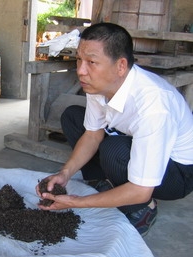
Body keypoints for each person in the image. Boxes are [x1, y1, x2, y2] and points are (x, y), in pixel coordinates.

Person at [36, 22, 193, 237]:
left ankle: (143, 209)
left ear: (120, 66)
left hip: (179, 172)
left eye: (91, 62)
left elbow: (140, 189)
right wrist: (65, 173)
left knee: (114, 150)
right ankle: (106, 183)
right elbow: (92, 134)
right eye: (79, 59)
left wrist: (77, 202)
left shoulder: (154, 105)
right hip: (133, 139)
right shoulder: (97, 85)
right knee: (72, 116)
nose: (81, 71)